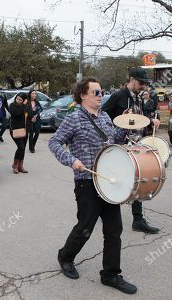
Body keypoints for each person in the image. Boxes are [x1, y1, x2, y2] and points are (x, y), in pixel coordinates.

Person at [48, 77, 137, 294]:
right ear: (83, 95)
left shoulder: (106, 116)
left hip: (108, 181)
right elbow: (54, 142)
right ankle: (66, 256)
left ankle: (110, 274)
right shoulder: (74, 118)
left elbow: (114, 141)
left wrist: (124, 126)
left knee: (114, 229)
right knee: (85, 228)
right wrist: (71, 160)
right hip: (86, 181)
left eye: (102, 92)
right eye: (96, 92)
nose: (101, 96)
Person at [102, 67, 161, 234]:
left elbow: (137, 119)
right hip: (121, 145)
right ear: (132, 79)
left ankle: (138, 219)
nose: (143, 86)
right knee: (115, 179)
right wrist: (120, 118)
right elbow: (102, 116)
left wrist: (150, 121)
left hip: (136, 144)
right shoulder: (118, 96)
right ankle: (105, 213)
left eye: (145, 84)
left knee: (138, 179)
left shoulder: (138, 98)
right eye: (141, 83)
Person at [8, 92, 29, 174]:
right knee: (20, 147)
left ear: (24, 100)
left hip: (24, 130)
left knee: (23, 148)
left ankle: (20, 166)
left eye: (20, 100)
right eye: (17, 98)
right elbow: (16, 113)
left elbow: (29, 114)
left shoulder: (26, 106)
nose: (18, 100)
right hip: (15, 130)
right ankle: (15, 165)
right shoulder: (12, 106)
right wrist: (23, 105)